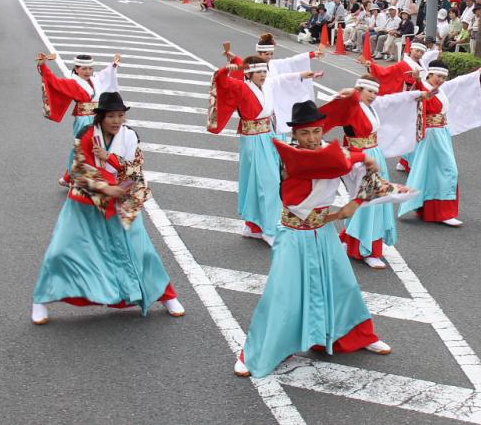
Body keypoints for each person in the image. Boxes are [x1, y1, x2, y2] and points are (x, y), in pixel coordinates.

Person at [233, 100, 392, 378]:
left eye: (316, 131)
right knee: (282, 294)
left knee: (343, 285)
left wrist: (354, 203)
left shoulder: (335, 152)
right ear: (294, 134)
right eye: (305, 133)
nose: (311, 138)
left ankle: (357, 336)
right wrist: (360, 156)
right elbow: (324, 165)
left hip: (323, 231)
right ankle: (256, 351)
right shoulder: (290, 154)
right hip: (293, 234)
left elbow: (370, 175)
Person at [31, 92, 185, 324]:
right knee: (62, 251)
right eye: (111, 115)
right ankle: (41, 300)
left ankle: (166, 295)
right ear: (101, 117)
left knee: (141, 252)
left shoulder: (131, 136)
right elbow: (77, 169)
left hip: (123, 198)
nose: (116, 120)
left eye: (120, 115)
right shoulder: (86, 134)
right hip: (86, 203)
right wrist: (105, 187)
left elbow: (136, 169)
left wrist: (109, 159)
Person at [318, 75, 433, 269]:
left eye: (375, 92)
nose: (373, 95)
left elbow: (392, 100)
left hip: (374, 155)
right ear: (359, 90)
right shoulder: (350, 106)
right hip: (360, 160)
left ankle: (352, 240)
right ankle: (365, 250)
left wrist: (418, 94)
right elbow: (327, 117)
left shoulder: (371, 106)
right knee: (369, 201)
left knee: (374, 201)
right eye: (369, 91)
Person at [207, 55, 320, 244]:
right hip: (252, 140)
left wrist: (303, 74)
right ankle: (269, 229)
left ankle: (253, 226)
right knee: (268, 183)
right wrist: (228, 69)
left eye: (264, 71)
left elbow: (282, 79)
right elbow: (221, 81)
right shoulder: (241, 87)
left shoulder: (267, 84)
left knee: (258, 183)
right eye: (258, 72)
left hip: (268, 136)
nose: (263, 75)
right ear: (249, 73)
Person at [397, 60, 481, 226]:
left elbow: (457, 82)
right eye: (438, 76)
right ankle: (443, 212)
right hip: (432, 135)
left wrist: (476, 74)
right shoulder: (424, 88)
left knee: (432, 172)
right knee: (449, 170)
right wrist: (418, 81)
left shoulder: (439, 89)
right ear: (430, 74)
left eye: (443, 77)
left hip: (441, 133)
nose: (441, 80)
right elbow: (420, 99)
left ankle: (429, 209)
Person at [37, 53, 121, 187]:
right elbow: (53, 81)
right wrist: (43, 66)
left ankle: (69, 177)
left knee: (97, 147)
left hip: (98, 117)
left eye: (90, 68)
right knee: (81, 147)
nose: (88, 71)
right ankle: (74, 177)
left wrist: (113, 65)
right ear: (76, 69)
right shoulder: (72, 82)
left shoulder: (95, 80)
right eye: (84, 68)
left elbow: (105, 75)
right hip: (83, 119)